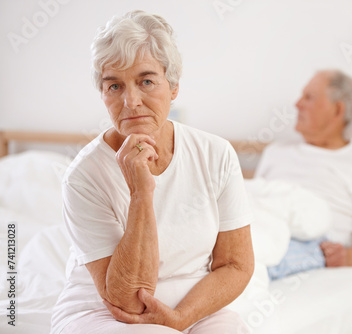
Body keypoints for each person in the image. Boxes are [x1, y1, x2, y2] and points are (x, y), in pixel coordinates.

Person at [50, 10, 254, 334]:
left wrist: (183, 317)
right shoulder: (83, 177)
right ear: (102, 94)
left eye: (146, 81)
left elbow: (236, 265)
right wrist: (141, 193)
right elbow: (128, 300)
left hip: (197, 307)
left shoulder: (216, 154)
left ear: (173, 87)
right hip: (104, 313)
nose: (131, 101)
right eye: (114, 86)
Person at [257, 70, 352, 280]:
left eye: (309, 97)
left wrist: (347, 257)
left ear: (337, 109)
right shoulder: (275, 152)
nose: (297, 104)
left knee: (249, 259)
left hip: (311, 242)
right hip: (261, 223)